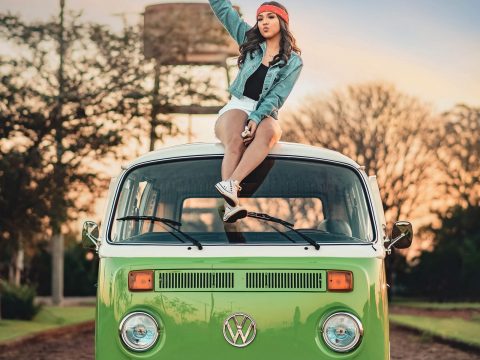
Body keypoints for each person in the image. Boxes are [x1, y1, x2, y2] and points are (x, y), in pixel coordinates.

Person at [209, 0, 303, 222]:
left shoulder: (294, 61)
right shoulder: (248, 40)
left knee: (270, 132)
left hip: (266, 111)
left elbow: (277, 95)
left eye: (270, 17)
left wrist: (257, 117)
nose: (264, 23)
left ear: (282, 21)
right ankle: (231, 202)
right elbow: (223, 10)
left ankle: (231, 183)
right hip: (238, 104)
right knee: (236, 141)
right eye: (260, 18)